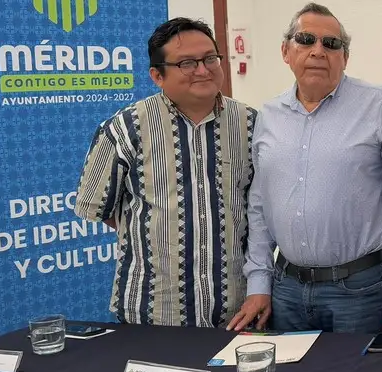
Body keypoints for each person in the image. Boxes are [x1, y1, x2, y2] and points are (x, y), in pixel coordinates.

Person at [228, 3, 382, 334]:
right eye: (305, 40)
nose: (318, 51)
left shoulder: (378, 105)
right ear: (286, 52)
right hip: (286, 290)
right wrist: (259, 284)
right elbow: (260, 209)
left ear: (344, 57)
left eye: (331, 44)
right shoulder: (268, 116)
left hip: (359, 291)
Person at [75, 18, 256, 327]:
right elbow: (101, 209)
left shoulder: (251, 125)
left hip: (236, 315)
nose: (203, 70)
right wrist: (160, 231)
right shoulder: (124, 128)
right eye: (187, 63)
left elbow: (259, 211)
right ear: (157, 75)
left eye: (210, 58)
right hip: (153, 314)